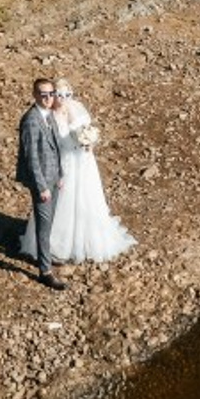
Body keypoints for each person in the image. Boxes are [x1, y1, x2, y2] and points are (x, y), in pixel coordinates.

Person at [20, 78, 136, 265]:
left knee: (85, 200)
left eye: (67, 94)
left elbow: (86, 130)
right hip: (62, 163)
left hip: (81, 161)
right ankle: (53, 246)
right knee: (60, 204)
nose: (62, 98)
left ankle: (85, 241)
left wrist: (88, 141)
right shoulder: (46, 115)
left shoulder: (75, 108)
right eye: (58, 94)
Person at [15, 77, 67, 290]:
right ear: (35, 95)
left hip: (54, 176)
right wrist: (41, 186)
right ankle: (44, 271)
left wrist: (61, 174)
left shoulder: (49, 115)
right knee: (44, 224)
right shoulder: (31, 120)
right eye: (43, 95)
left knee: (50, 221)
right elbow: (31, 158)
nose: (48, 98)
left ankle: (44, 256)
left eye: (51, 94)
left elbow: (55, 147)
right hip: (42, 182)